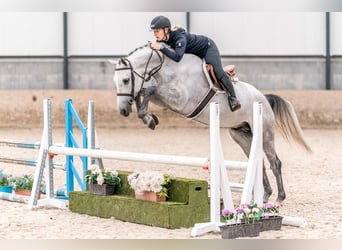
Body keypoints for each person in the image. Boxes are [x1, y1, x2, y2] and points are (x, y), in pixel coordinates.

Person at [149, 15, 241, 112]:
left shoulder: (180, 38)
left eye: (157, 31)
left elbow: (177, 57)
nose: (155, 34)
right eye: (154, 31)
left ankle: (233, 98)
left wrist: (161, 48)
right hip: (194, 53)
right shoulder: (162, 40)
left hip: (207, 48)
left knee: (218, 72)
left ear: (166, 30)